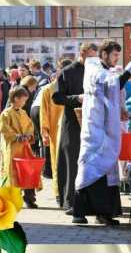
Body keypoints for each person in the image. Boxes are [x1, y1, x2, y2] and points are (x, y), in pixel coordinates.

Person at [72, 39, 131, 225]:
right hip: (94, 130)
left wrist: (121, 108)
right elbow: (112, 82)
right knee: (90, 167)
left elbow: (114, 87)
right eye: (115, 55)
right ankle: (79, 213)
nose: (117, 59)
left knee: (107, 169)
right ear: (103, 54)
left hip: (106, 129)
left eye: (119, 55)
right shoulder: (94, 68)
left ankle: (104, 213)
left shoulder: (106, 71)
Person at [52, 42, 96, 211]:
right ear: (83, 53)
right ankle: (70, 201)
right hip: (72, 123)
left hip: (91, 122)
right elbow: (56, 98)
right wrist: (76, 98)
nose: (94, 60)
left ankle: (90, 202)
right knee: (72, 162)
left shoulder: (95, 72)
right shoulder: (67, 72)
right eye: (91, 56)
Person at [0, 86, 37, 208]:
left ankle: (29, 198)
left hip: (24, 148)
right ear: (15, 99)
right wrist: (17, 136)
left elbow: (30, 125)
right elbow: (4, 129)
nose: (25, 103)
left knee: (27, 172)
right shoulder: (6, 114)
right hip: (12, 149)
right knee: (12, 172)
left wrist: (28, 135)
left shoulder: (23, 112)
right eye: (23, 100)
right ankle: (13, 198)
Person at [40, 58, 72, 206]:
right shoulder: (48, 90)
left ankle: (70, 192)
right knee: (56, 162)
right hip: (55, 131)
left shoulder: (76, 87)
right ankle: (59, 192)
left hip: (71, 129)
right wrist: (44, 131)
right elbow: (44, 112)